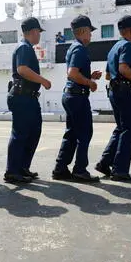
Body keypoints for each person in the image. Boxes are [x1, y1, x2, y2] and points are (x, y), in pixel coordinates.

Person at [97, 15, 131, 181]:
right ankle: (120, 170)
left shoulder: (114, 48)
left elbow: (107, 75)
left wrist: (129, 78)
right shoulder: (127, 46)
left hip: (113, 90)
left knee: (120, 127)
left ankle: (105, 162)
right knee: (129, 128)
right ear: (130, 30)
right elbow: (124, 69)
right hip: (124, 91)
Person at [53, 15, 102, 182]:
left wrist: (90, 76)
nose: (91, 35)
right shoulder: (79, 49)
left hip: (70, 95)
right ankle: (80, 170)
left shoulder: (73, 48)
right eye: (90, 31)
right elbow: (73, 73)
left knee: (72, 133)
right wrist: (90, 82)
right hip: (77, 97)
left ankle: (60, 168)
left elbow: (75, 72)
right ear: (83, 31)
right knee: (85, 133)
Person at [5, 17, 51, 183]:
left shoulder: (27, 48)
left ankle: (22, 167)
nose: (39, 35)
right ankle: (12, 171)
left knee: (33, 132)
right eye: (39, 31)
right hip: (22, 96)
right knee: (21, 134)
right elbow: (22, 69)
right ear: (33, 31)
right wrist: (43, 80)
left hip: (28, 97)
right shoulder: (24, 47)